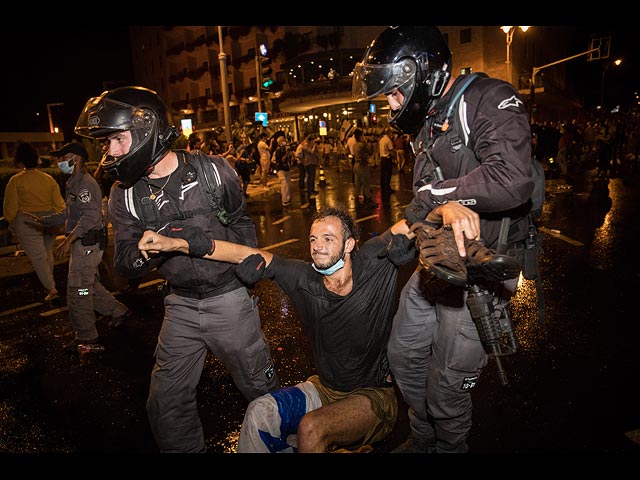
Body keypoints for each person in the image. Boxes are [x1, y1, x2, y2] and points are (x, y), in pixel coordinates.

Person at [353, 25, 536, 453]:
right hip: (437, 264)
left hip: (480, 271)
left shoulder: (487, 98)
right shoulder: (429, 124)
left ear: (423, 74)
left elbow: (513, 180)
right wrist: (370, 250)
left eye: (395, 92)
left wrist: (440, 197)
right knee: (402, 357)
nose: (392, 104)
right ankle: (423, 439)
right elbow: (420, 208)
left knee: (446, 388)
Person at [73, 85, 280, 453]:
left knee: (261, 391)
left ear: (147, 130)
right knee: (165, 402)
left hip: (229, 299)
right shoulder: (124, 194)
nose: (111, 151)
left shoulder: (213, 171)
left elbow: (240, 220)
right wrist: (146, 252)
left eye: (117, 140)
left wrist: (248, 262)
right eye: (108, 143)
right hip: (180, 306)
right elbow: (124, 266)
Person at [137, 205, 417, 453]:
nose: (317, 246)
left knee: (310, 429)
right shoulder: (301, 277)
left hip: (373, 397)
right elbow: (244, 254)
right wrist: (176, 244)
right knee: (260, 410)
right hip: (324, 388)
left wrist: (447, 210)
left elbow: (414, 220)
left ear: (349, 244)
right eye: (313, 239)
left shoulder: (373, 262)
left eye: (328, 239)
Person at [24, 142, 133, 352]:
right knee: (88, 284)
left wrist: (68, 240)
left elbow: (91, 217)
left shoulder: (84, 184)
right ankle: (119, 311)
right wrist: (43, 219)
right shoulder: (74, 182)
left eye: (62, 158)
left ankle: (87, 336)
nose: (58, 162)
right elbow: (70, 213)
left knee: (79, 290)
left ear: (75, 158)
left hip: (87, 244)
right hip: (84, 243)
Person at [3, 141, 65, 302]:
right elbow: (59, 204)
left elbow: (10, 209)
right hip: (48, 220)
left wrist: (10, 222)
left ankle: (51, 288)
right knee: (46, 254)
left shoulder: (15, 181)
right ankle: (50, 284)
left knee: (38, 257)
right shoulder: (48, 179)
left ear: (20, 161)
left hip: (27, 221)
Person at [352, 129, 376, 208]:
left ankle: (357, 201)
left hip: (356, 165)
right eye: (363, 135)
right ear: (360, 136)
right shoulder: (362, 144)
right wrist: (370, 143)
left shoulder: (355, 145)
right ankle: (368, 200)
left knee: (357, 184)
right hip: (362, 165)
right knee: (366, 183)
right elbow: (370, 152)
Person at [272, 135, 293, 207]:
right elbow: (282, 160)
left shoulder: (285, 150)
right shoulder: (278, 151)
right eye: (283, 140)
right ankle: (285, 200)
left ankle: (288, 198)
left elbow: (290, 159)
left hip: (286, 168)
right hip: (280, 169)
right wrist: (286, 154)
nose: (285, 142)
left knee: (288, 183)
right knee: (284, 184)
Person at [378, 127, 396, 196]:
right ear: (389, 133)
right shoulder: (388, 140)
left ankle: (383, 187)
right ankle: (387, 188)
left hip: (382, 158)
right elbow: (391, 150)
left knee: (383, 174)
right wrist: (394, 157)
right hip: (387, 158)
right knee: (388, 174)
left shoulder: (381, 140)